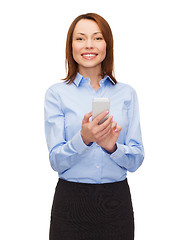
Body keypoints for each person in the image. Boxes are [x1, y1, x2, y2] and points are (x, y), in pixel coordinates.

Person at [44, 13, 144, 240]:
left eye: (97, 38)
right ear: (70, 46)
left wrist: (113, 148)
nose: (88, 45)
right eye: (80, 39)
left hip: (115, 202)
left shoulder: (126, 94)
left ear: (107, 44)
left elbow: (136, 158)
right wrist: (84, 138)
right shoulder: (56, 94)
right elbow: (55, 161)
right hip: (71, 203)